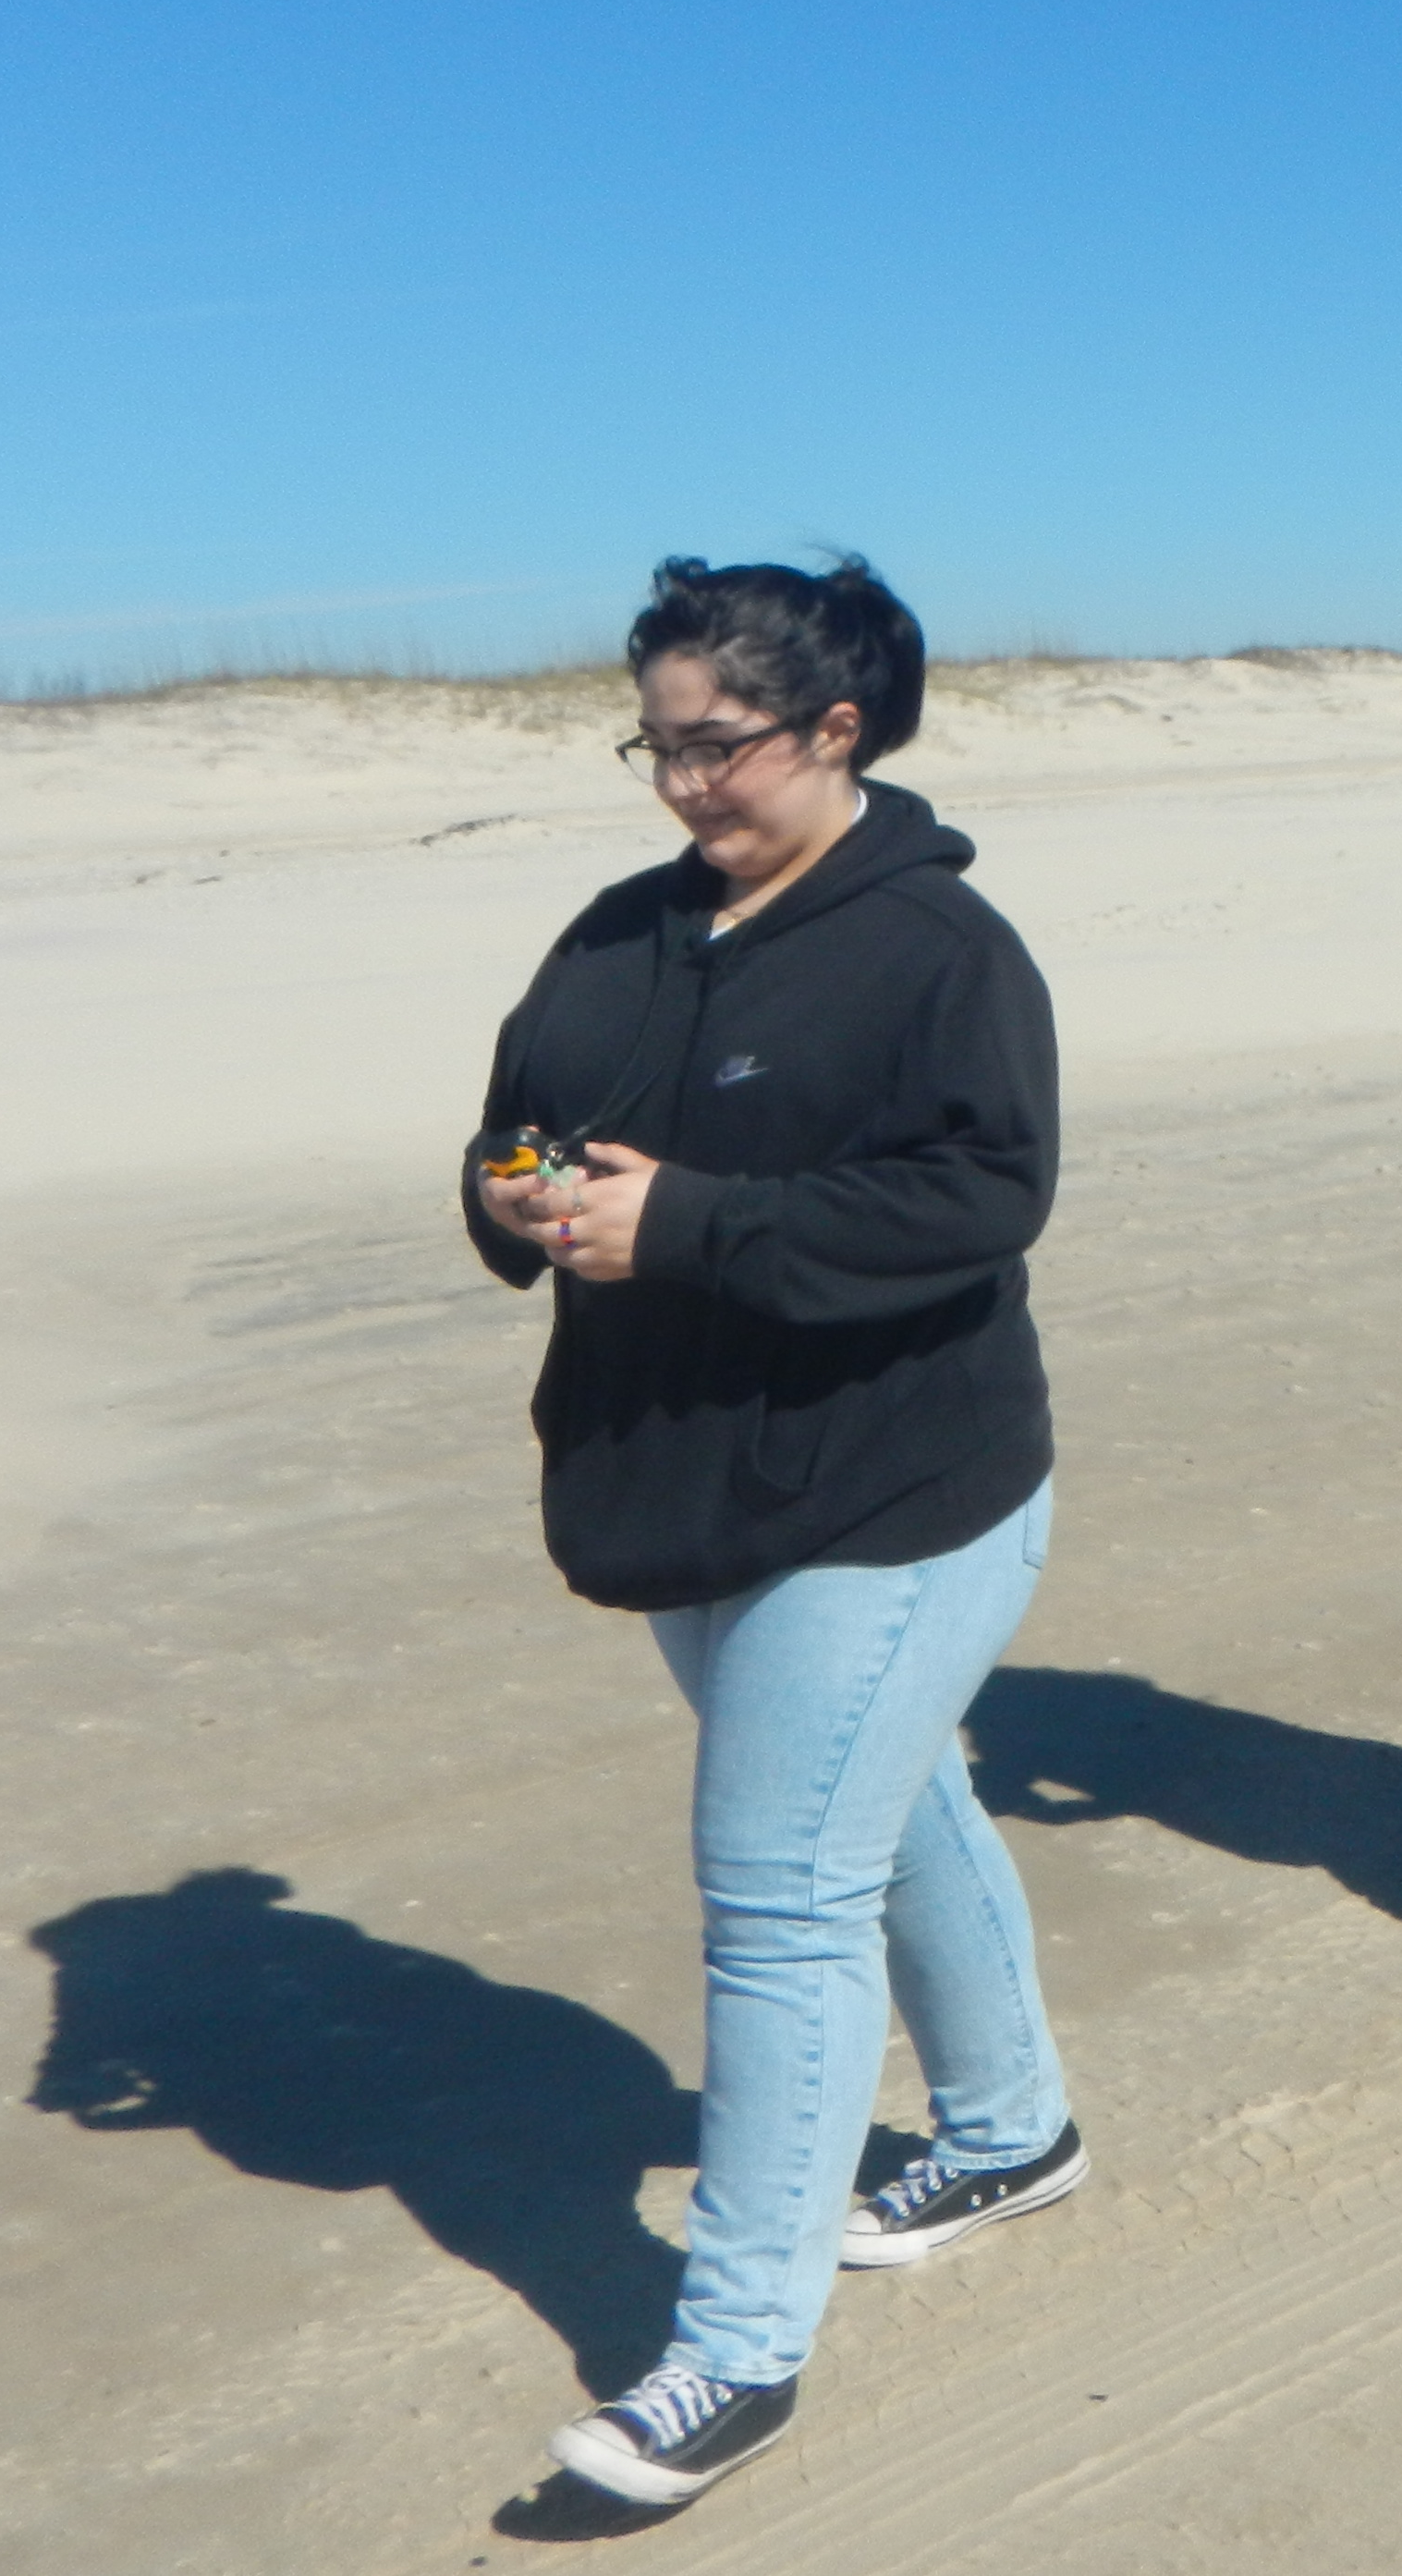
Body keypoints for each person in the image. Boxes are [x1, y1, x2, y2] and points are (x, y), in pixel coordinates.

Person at [463, 557, 1081, 2509]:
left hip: (900, 1487)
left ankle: (732, 2353)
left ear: (837, 731)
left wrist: (699, 1225)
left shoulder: (942, 951)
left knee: (782, 1888)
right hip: (683, 1484)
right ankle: (1012, 2131)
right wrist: (523, 1202)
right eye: (653, 742)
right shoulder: (624, 932)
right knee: (881, 1822)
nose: (678, 786)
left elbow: (985, 1199)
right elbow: (512, 1126)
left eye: (715, 746)